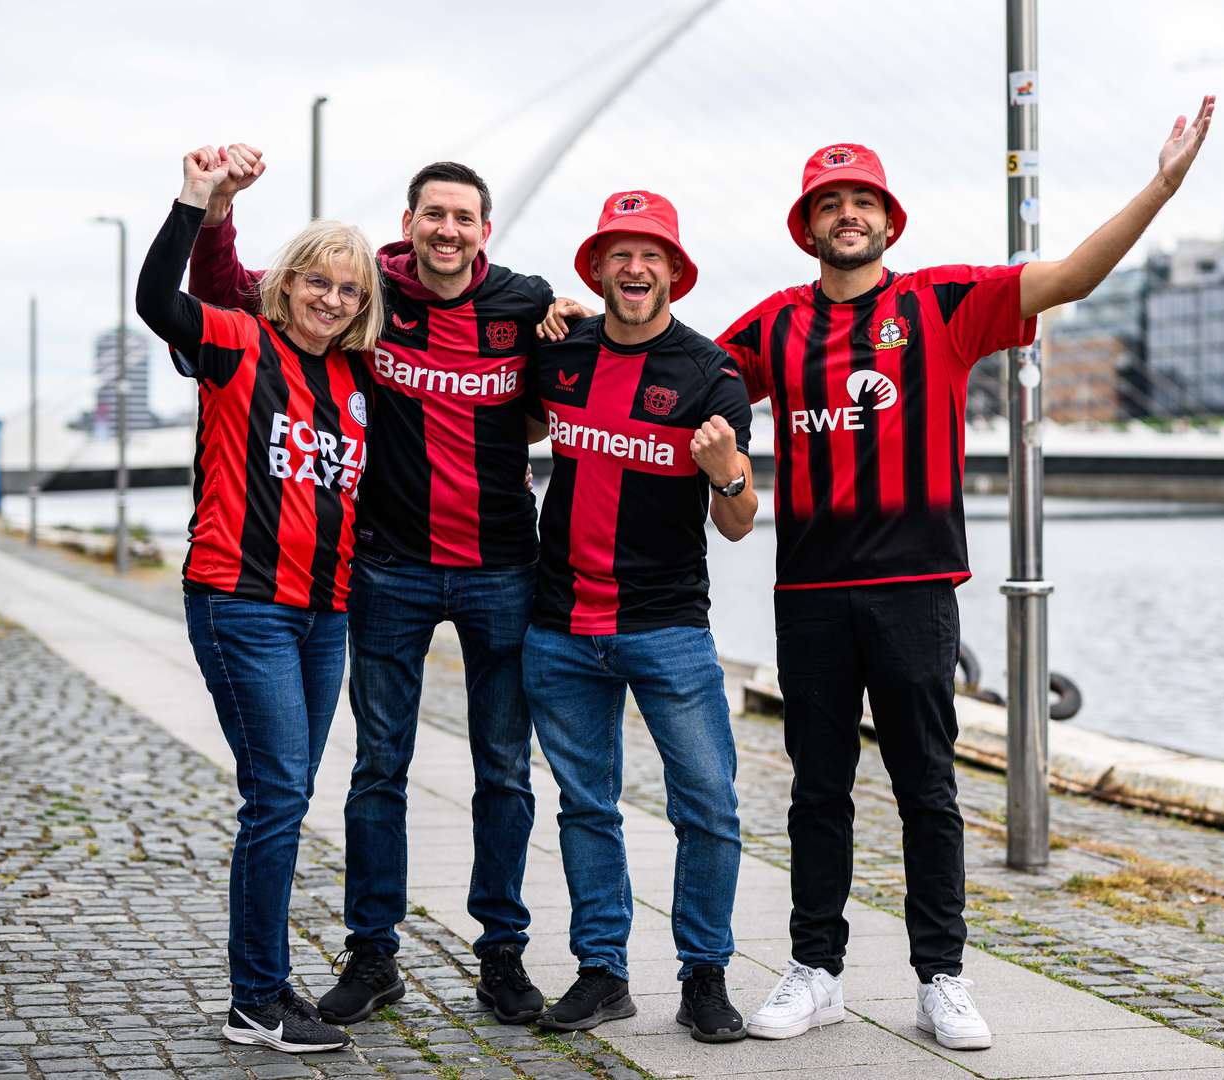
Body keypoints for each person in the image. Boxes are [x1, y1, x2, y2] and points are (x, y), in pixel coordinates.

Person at [717, 98, 1214, 1051]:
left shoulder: (943, 303)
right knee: (816, 791)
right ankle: (815, 969)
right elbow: (678, 373)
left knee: (927, 792)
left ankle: (941, 976)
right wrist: (568, 328)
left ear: (888, 220)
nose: (847, 215)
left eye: (862, 200)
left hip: (914, 592)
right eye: (830, 203)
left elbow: (1070, 274)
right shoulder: (776, 324)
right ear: (807, 225)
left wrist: (1161, 187)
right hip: (810, 596)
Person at [189, 148, 588, 1026]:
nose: (448, 230)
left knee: (504, 773)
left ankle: (502, 956)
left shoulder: (523, 302)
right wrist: (215, 212)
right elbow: (232, 291)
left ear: (487, 230)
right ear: (408, 225)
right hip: (387, 572)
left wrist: (578, 316)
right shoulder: (366, 289)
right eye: (432, 215)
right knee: (379, 770)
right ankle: (373, 957)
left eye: (465, 218)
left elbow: (594, 377)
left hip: (500, 570)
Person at [136, 145, 384, 1055]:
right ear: (285, 285)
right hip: (242, 604)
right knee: (277, 793)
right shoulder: (238, 344)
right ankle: (256, 998)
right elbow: (158, 302)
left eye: (349, 290)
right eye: (316, 282)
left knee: (282, 794)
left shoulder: (356, 382)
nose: (332, 299)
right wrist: (196, 203)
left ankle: (263, 987)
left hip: (327, 616)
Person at [522, 191, 758, 1042]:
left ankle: (704, 977)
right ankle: (601, 974)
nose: (634, 268)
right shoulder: (561, 354)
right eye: (619, 253)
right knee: (586, 806)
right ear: (597, 269)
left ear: (674, 271)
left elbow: (738, 521)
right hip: (558, 628)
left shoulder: (710, 374)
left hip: (666, 630)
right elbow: (505, 424)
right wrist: (546, 316)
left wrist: (727, 471)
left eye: (650, 253)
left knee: (709, 806)